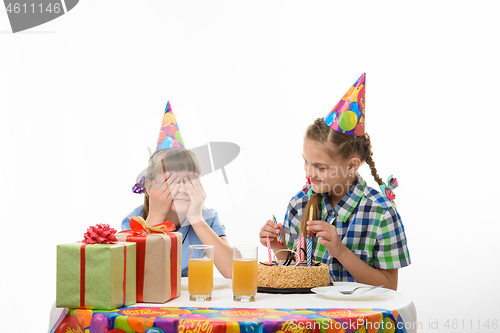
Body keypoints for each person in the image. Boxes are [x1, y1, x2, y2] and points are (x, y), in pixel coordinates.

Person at [259, 74, 410, 290]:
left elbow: (389, 287)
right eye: (306, 162)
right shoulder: (299, 204)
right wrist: (276, 245)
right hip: (309, 318)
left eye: (320, 167)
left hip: (357, 320)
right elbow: (298, 273)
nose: (309, 173)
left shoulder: (381, 212)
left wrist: (340, 251)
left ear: (352, 166)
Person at [123, 102, 232, 278]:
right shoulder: (134, 222)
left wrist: (196, 218)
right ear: (149, 187)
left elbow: (233, 272)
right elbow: (131, 275)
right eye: (171, 180)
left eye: (189, 180)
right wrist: (156, 217)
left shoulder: (208, 218)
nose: (182, 188)